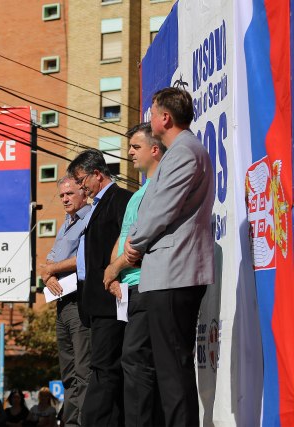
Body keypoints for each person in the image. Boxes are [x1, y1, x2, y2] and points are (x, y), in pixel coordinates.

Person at [125, 87, 215, 427]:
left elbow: (160, 209)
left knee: (173, 371)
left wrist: (135, 242)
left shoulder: (183, 153)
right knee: (169, 369)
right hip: (168, 272)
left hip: (174, 272)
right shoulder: (181, 152)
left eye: (152, 113)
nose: (149, 119)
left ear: (165, 118)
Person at [102, 123, 165, 426]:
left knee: (136, 359)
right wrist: (113, 275)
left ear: (155, 149)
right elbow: (124, 236)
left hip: (146, 284)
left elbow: (139, 242)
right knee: (133, 362)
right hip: (127, 290)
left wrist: (114, 268)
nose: (129, 153)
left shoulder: (159, 188)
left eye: (135, 147)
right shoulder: (138, 193)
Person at [67, 148, 132, 426]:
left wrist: (114, 273)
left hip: (111, 300)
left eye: (82, 180)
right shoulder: (94, 206)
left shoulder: (121, 199)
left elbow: (127, 240)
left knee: (105, 368)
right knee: (102, 367)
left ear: (97, 174)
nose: (81, 187)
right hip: (93, 302)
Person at [39, 177, 91, 427]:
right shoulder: (66, 224)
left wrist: (51, 269)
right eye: (61, 195)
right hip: (61, 302)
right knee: (67, 372)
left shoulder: (90, 218)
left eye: (69, 193)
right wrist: (48, 275)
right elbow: (49, 259)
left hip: (80, 301)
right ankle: (70, 422)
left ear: (83, 191)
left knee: (83, 370)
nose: (65, 199)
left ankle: (84, 421)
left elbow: (84, 257)